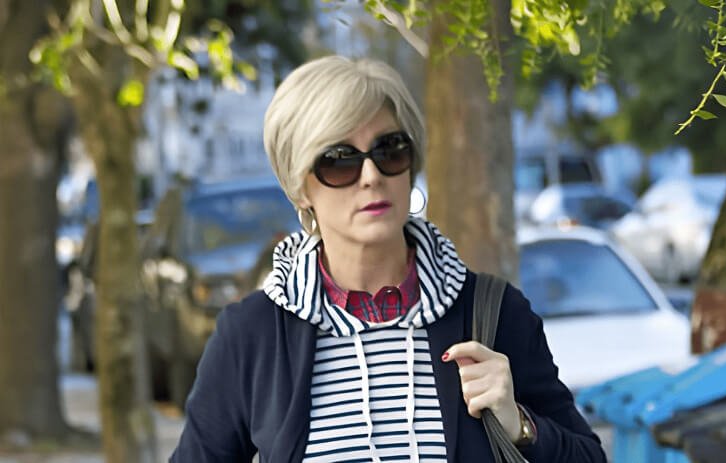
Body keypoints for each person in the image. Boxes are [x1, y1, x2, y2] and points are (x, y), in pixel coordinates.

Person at [171, 55, 606, 462]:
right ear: (300, 187)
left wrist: (521, 426)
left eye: (389, 150)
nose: (371, 176)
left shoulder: (493, 314)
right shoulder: (253, 335)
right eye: (339, 161)